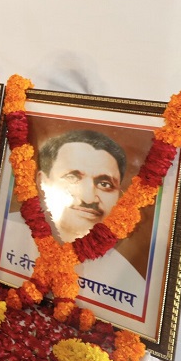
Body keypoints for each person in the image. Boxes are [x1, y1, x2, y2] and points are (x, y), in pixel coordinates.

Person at [38, 129, 147, 314]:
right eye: (72, 177)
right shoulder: (5, 239)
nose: (88, 197)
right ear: (42, 181)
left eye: (105, 184)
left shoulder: (131, 282)